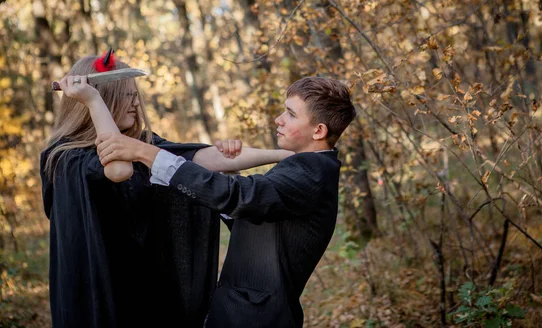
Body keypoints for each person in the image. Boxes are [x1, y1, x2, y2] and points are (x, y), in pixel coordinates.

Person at [40, 52, 292, 328]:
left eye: (135, 94)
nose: (136, 102)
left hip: (145, 287)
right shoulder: (66, 157)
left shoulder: (139, 144)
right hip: (101, 292)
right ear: (103, 99)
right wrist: (92, 99)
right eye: (126, 95)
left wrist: (285, 155)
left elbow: (203, 159)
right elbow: (119, 170)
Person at [95, 76, 357, 327]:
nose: (278, 119)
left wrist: (146, 152)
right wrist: (225, 171)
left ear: (319, 130)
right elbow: (257, 218)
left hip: (255, 318)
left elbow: (242, 196)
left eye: (290, 114)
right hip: (243, 312)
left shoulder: (310, 172)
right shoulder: (307, 167)